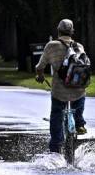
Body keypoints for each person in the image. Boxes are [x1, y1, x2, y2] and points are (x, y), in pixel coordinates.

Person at [35, 18, 88, 153]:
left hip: (59, 91)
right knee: (80, 99)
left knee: (56, 115)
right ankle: (79, 122)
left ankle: (55, 147)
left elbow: (40, 67)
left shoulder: (51, 46)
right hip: (78, 90)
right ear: (72, 32)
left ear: (58, 31)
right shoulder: (79, 46)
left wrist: (40, 76)